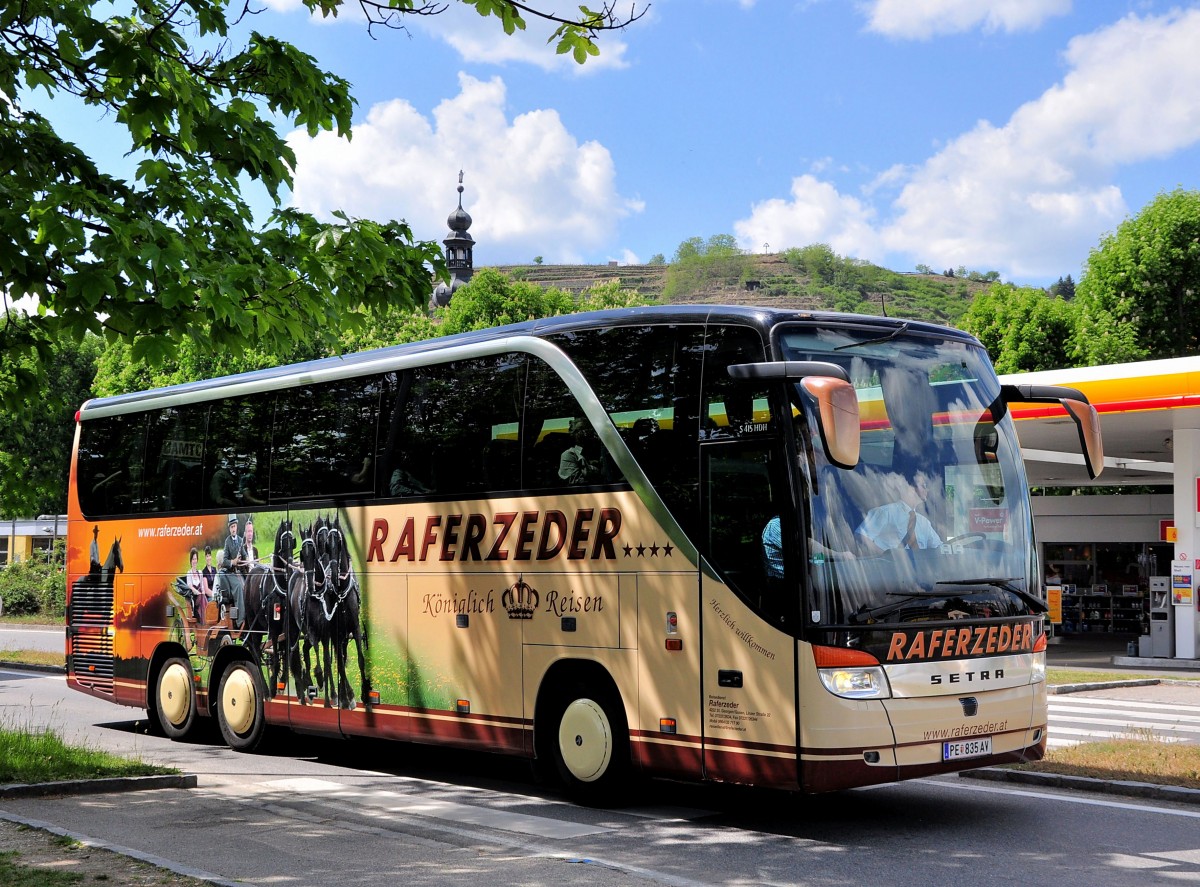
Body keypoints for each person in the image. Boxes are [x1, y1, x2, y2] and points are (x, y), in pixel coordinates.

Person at [855, 469, 942, 554]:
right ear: (909, 486)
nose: (927, 490)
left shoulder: (924, 523)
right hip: (887, 568)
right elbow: (861, 537)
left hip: (920, 568)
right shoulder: (886, 512)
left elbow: (940, 548)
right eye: (924, 486)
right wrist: (886, 556)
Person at [558, 417, 593, 484]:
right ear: (573, 434)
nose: (585, 433)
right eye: (580, 430)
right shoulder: (569, 454)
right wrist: (593, 469)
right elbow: (576, 482)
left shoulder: (596, 450)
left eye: (587, 429)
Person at [186, 547, 205, 622]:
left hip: (201, 598)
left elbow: (202, 587)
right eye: (193, 559)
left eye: (196, 559)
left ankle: (206, 618)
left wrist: (202, 592)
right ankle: (203, 620)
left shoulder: (200, 572)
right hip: (194, 599)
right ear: (190, 561)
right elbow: (190, 586)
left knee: (203, 597)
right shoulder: (189, 573)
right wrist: (197, 592)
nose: (194, 561)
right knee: (201, 596)